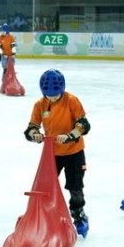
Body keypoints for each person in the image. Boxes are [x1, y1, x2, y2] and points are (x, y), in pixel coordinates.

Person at [23, 69, 91, 237]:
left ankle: (78, 215)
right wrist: (35, 134)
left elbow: (84, 124)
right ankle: (43, 216)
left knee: (75, 187)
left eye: (55, 96)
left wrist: (70, 136)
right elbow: (31, 127)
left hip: (74, 152)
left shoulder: (72, 101)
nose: (52, 98)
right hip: (51, 154)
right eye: (48, 96)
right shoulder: (40, 105)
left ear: (62, 90)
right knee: (45, 187)